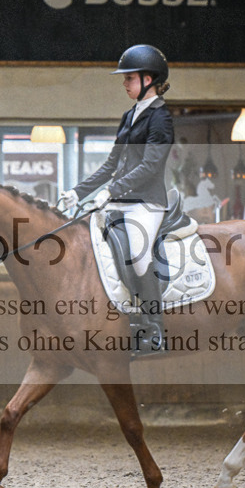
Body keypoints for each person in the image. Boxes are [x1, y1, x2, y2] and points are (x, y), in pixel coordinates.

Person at [59, 44, 174, 354]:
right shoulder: (129, 115)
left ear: (149, 79)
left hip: (147, 203)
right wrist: (77, 192)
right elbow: (111, 164)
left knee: (138, 253)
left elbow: (150, 166)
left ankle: (154, 328)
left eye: (130, 78)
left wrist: (112, 190)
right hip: (120, 201)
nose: (124, 83)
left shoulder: (161, 118)